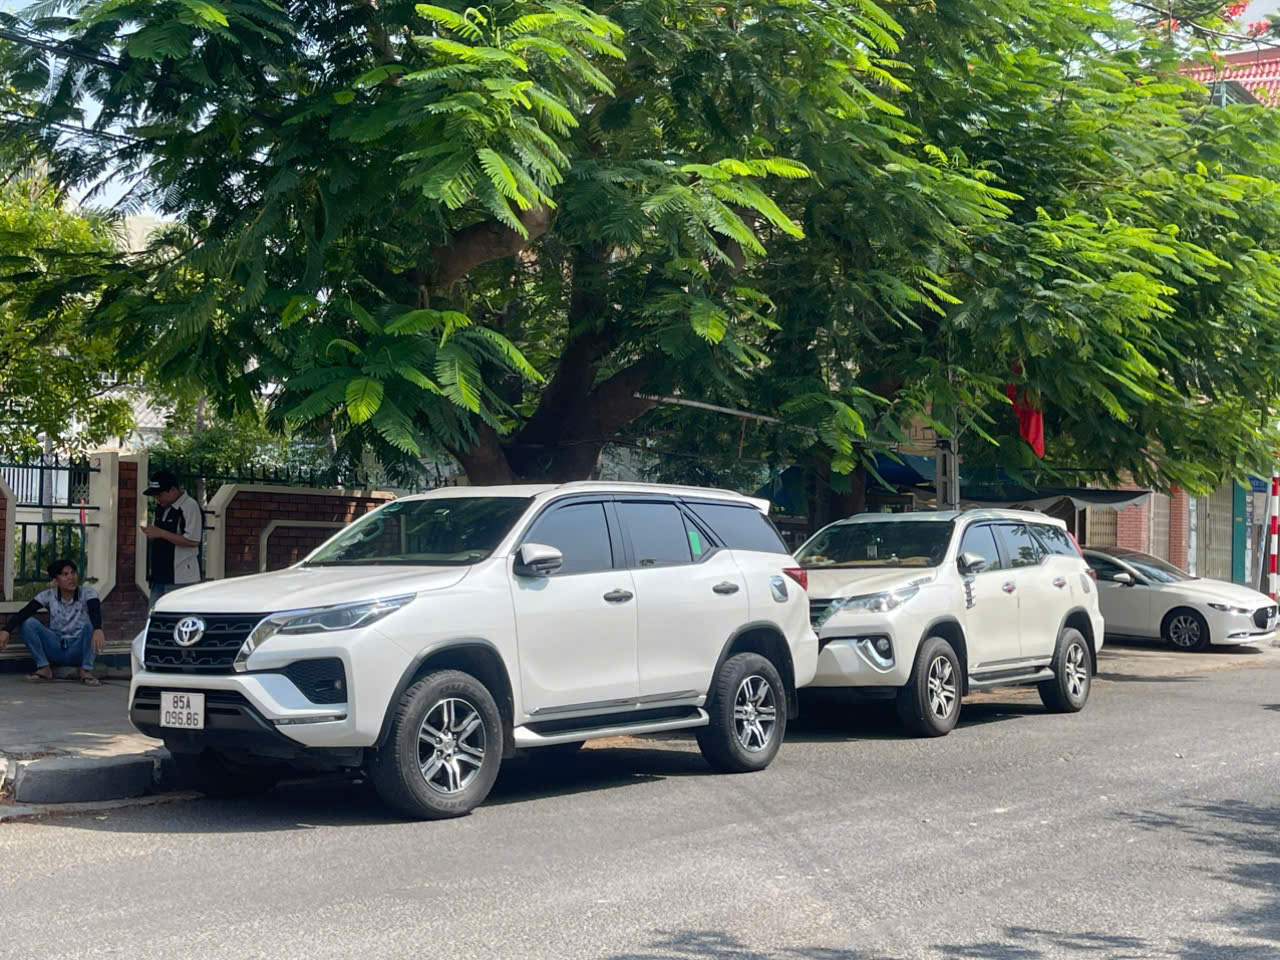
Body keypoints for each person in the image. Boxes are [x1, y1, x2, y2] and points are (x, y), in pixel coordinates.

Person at [0, 559, 106, 684]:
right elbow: (25, 612)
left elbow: (95, 611)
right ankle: (44, 668)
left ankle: (86, 670)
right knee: (28, 623)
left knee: (91, 625)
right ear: (56, 580)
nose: (71, 578)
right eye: (65, 574)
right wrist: (6, 630)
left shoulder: (88, 593)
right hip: (56, 646)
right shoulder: (48, 595)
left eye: (73, 573)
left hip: (79, 648)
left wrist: (98, 629)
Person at [141, 469, 203, 608]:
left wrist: (161, 533)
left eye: (160, 494)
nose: (157, 499)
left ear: (173, 490)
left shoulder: (189, 506)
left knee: (176, 616)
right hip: (159, 576)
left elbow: (193, 540)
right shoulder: (162, 507)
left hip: (181, 577)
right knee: (155, 617)